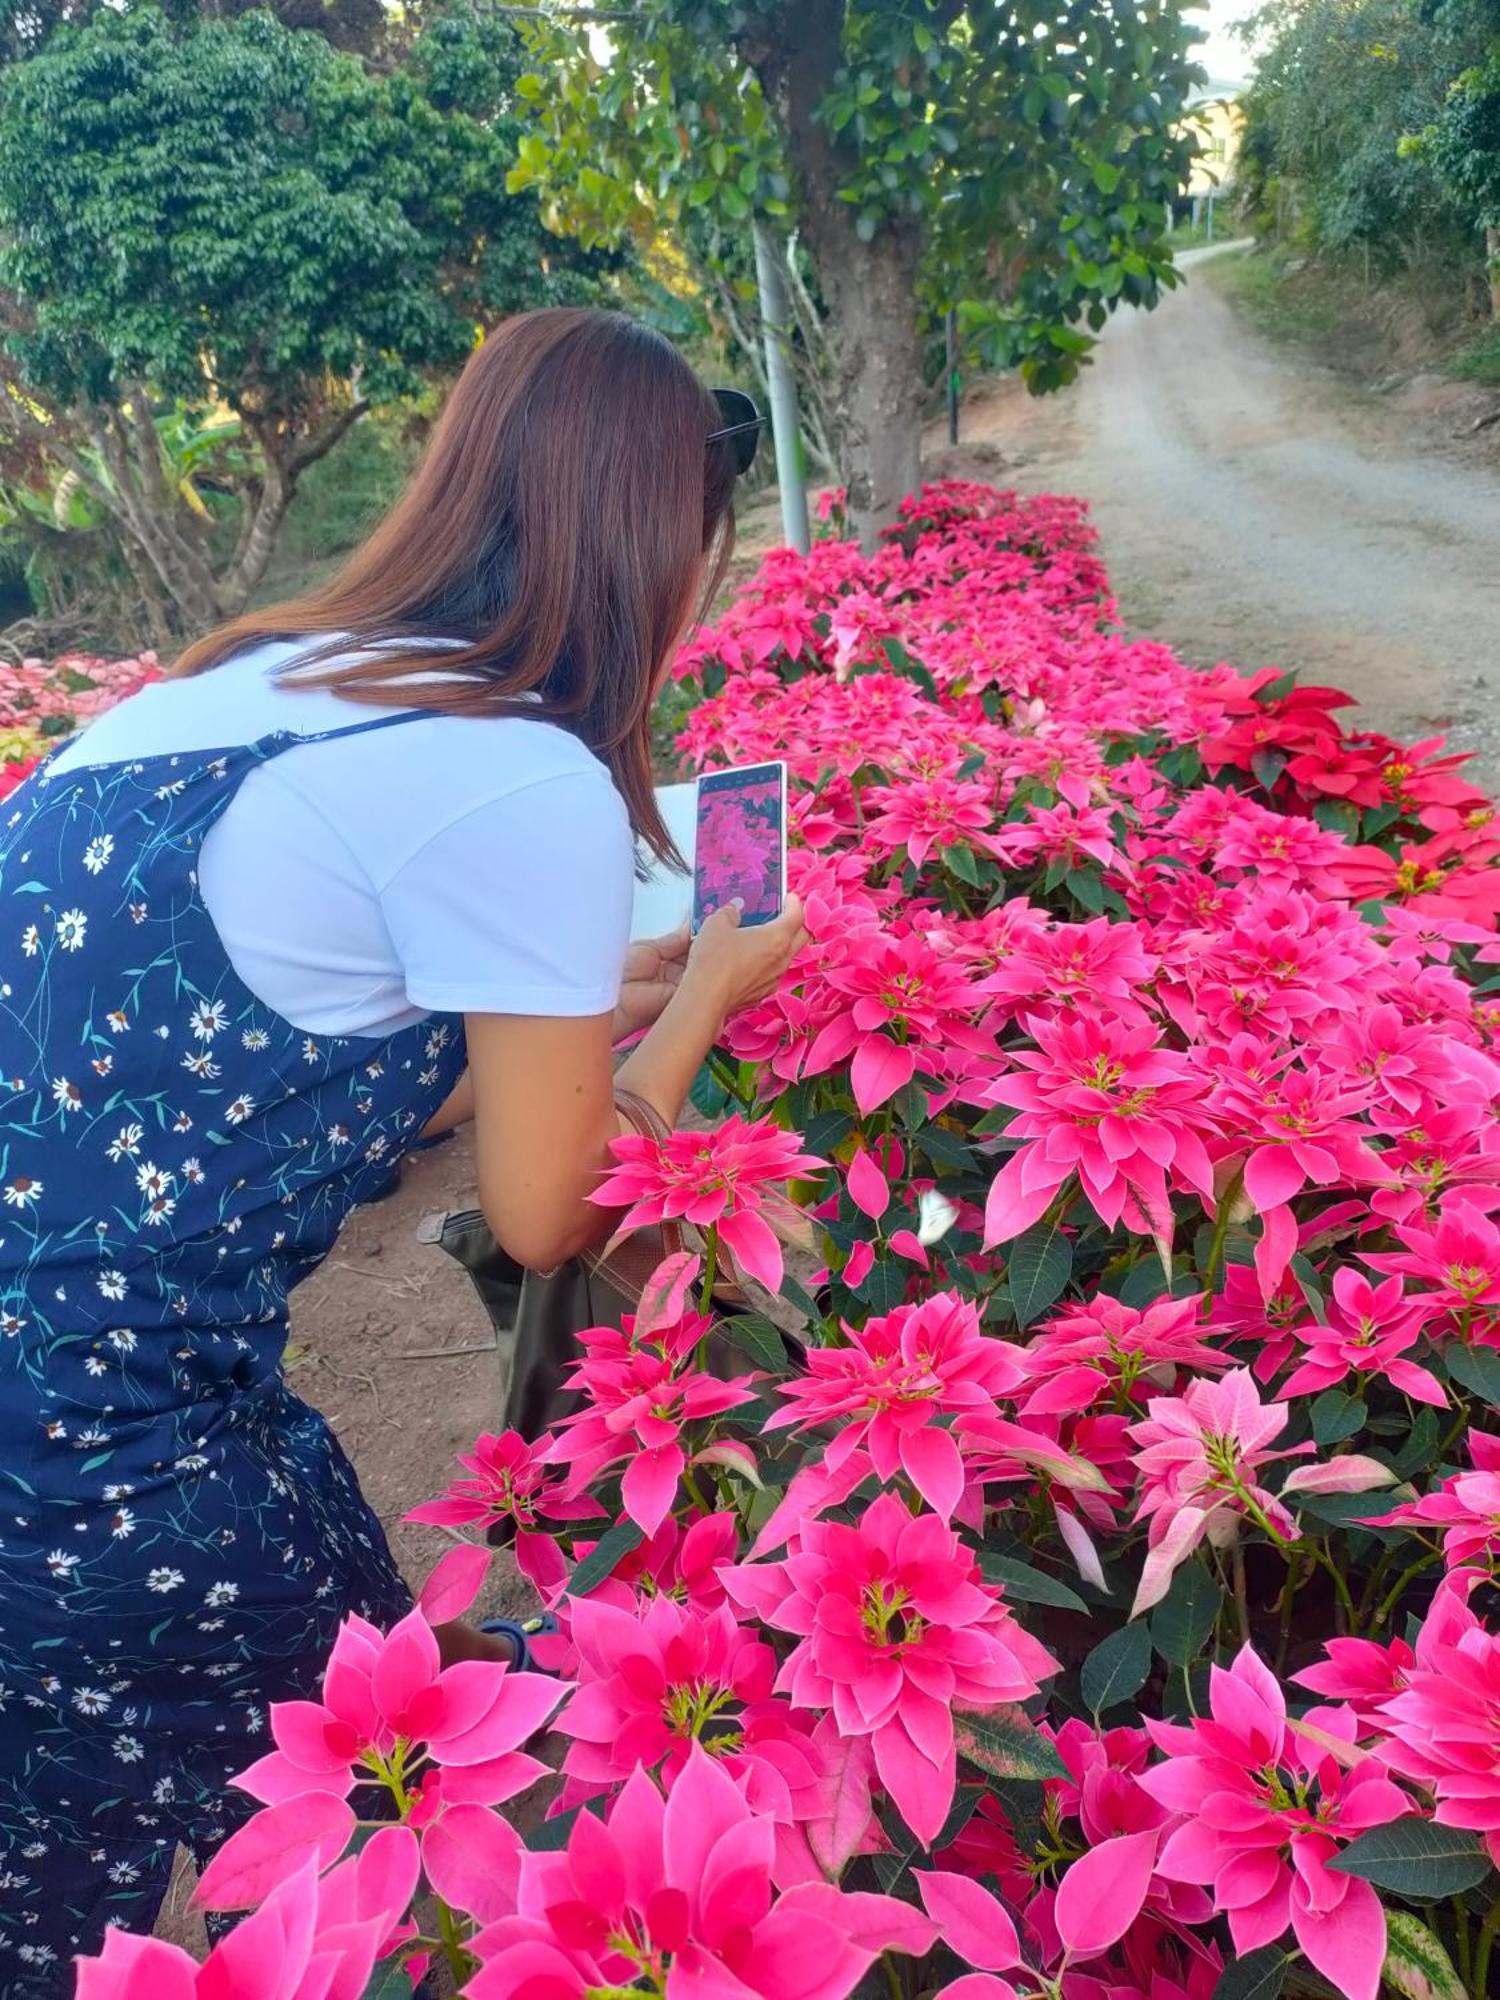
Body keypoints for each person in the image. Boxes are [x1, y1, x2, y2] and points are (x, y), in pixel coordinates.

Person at [0, 307, 805, 1994]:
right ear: (660, 548)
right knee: (376, 1838)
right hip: (103, 1469)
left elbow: (237, 1073)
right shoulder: (518, 776)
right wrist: (707, 995)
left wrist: (556, 1030)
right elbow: (549, 1213)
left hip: (54, 1403)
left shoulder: (242, 681)